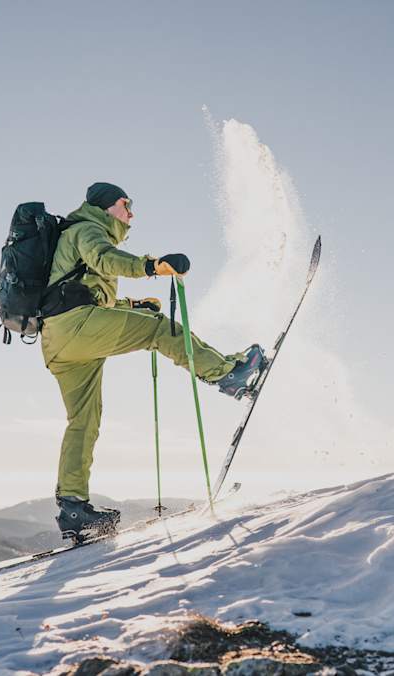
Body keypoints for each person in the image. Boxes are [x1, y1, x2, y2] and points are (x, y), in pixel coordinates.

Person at [40, 182, 263, 540]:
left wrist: (133, 306)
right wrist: (152, 266)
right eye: (127, 205)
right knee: (159, 330)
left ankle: (73, 509)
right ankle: (227, 374)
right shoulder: (88, 229)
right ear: (108, 206)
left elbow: (81, 291)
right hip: (77, 328)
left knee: (83, 420)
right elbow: (104, 258)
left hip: (58, 340)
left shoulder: (72, 232)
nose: (131, 214)